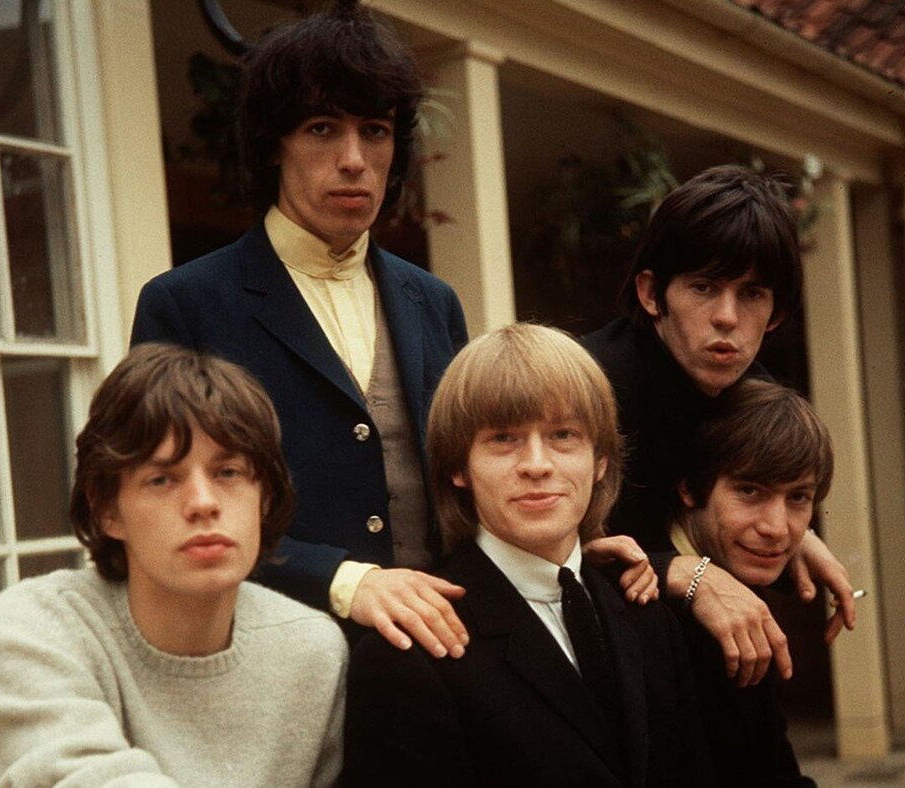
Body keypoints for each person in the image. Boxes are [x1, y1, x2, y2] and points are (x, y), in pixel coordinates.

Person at [130, 0, 473, 658]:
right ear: (272, 146)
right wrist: (340, 580)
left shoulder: (434, 302)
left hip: (441, 653)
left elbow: (470, 481)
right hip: (275, 656)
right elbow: (165, 505)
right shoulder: (186, 303)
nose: (354, 159)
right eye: (322, 128)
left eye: (375, 131)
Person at [343, 324, 717, 787]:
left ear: (600, 460)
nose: (537, 465)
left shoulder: (650, 620)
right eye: (504, 438)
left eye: (563, 435)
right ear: (459, 467)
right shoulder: (406, 656)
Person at [0, 344, 347, 786]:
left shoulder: (312, 650)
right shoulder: (34, 629)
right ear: (107, 510)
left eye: (228, 472)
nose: (203, 503)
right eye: (162, 479)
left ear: (265, 497)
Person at [581, 164, 855, 686]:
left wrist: (800, 536)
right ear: (651, 294)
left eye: (752, 294)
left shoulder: (747, 389)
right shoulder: (583, 391)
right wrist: (681, 571)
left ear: (776, 313)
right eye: (703, 287)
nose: (727, 316)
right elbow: (535, 552)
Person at [670, 378, 832, 787]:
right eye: (749, 491)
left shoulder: (738, 577)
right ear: (689, 488)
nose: (776, 528)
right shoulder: (649, 607)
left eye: (798, 497)